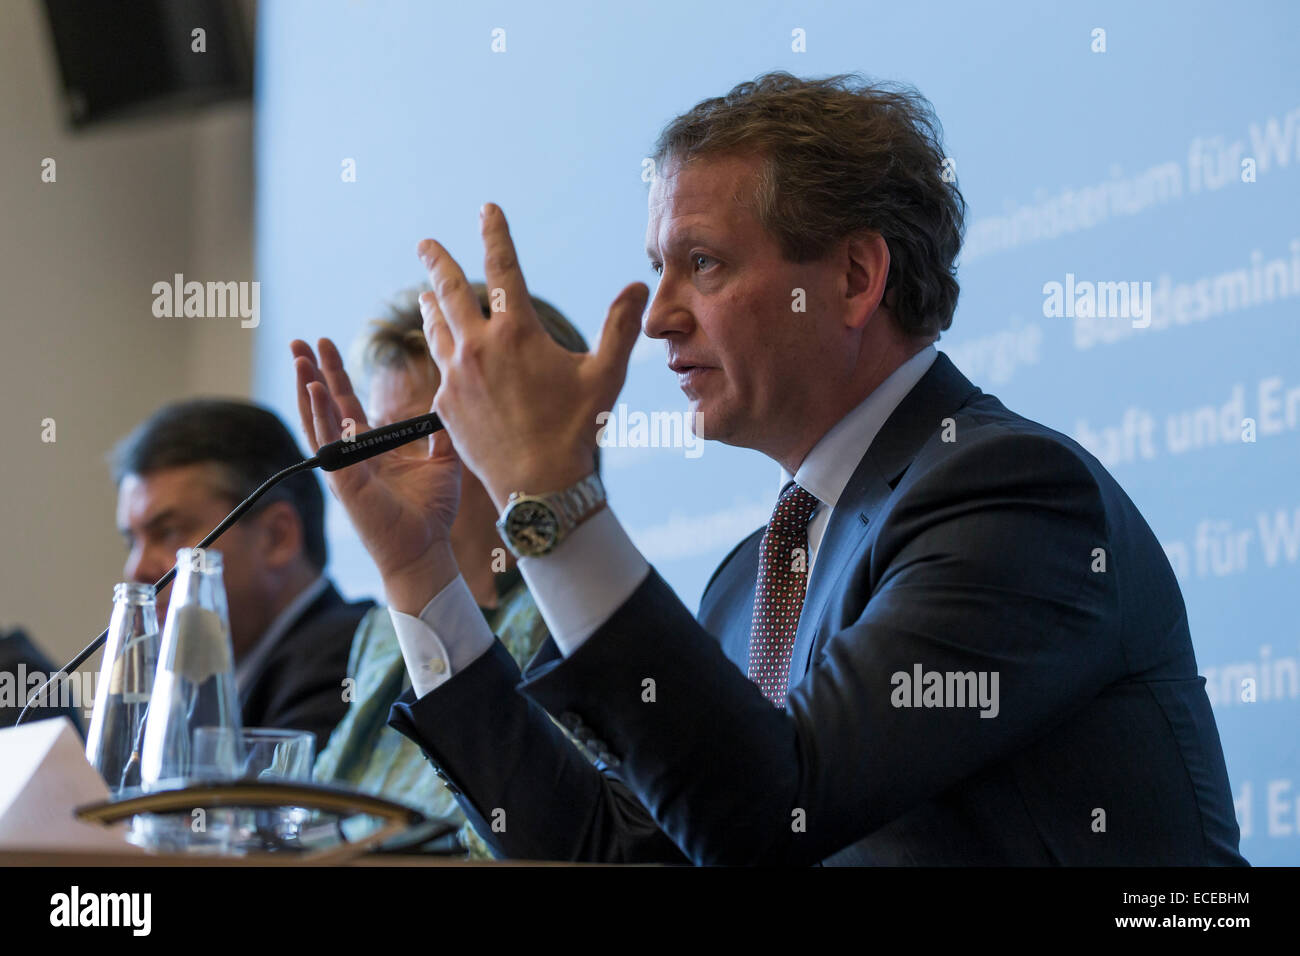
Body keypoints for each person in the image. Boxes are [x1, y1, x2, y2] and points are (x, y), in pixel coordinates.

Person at [299, 72, 1245, 865]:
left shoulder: (1017, 501)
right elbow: (612, 857)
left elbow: (772, 816)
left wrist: (552, 499)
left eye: (701, 264)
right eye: (658, 267)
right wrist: (421, 575)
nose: (661, 314)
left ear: (853, 278)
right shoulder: (746, 581)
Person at [300, 283, 597, 857]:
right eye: (374, 437)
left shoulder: (583, 620)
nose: (378, 466)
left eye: (402, 435)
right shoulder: (383, 631)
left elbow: (540, 845)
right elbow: (316, 819)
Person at [111, 399, 372, 751]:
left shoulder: (350, 656)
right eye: (132, 540)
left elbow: (254, 805)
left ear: (277, 537)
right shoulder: (204, 678)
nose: (137, 569)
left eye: (169, 532)